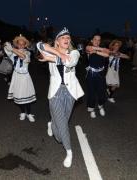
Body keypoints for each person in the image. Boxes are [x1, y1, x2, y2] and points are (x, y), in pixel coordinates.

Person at [36, 27, 84, 168]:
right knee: (61, 127)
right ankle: (69, 152)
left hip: (70, 92)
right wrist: (58, 53)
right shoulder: (52, 49)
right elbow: (38, 46)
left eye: (68, 38)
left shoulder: (74, 52)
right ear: (57, 41)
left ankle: (51, 122)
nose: (66, 40)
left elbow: (70, 62)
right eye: (63, 37)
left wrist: (51, 57)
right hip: (55, 92)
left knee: (62, 124)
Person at [4, 35, 36, 122]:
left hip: (25, 76)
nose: (21, 45)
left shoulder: (28, 53)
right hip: (16, 76)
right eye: (19, 44)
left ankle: (29, 113)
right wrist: (6, 45)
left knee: (26, 95)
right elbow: (6, 50)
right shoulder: (13, 52)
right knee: (18, 95)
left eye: (23, 44)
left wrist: (12, 49)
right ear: (17, 44)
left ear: (25, 45)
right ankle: (22, 112)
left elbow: (23, 56)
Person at [85, 34, 110, 118]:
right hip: (91, 74)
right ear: (92, 40)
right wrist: (102, 50)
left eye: (99, 40)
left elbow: (107, 54)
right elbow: (89, 49)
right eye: (95, 39)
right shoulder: (88, 47)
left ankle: (100, 106)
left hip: (100, 74)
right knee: (91, 92)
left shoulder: (99, 49)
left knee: (101, 92)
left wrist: (96, 51)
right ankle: (91, 109)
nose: (97, 41)